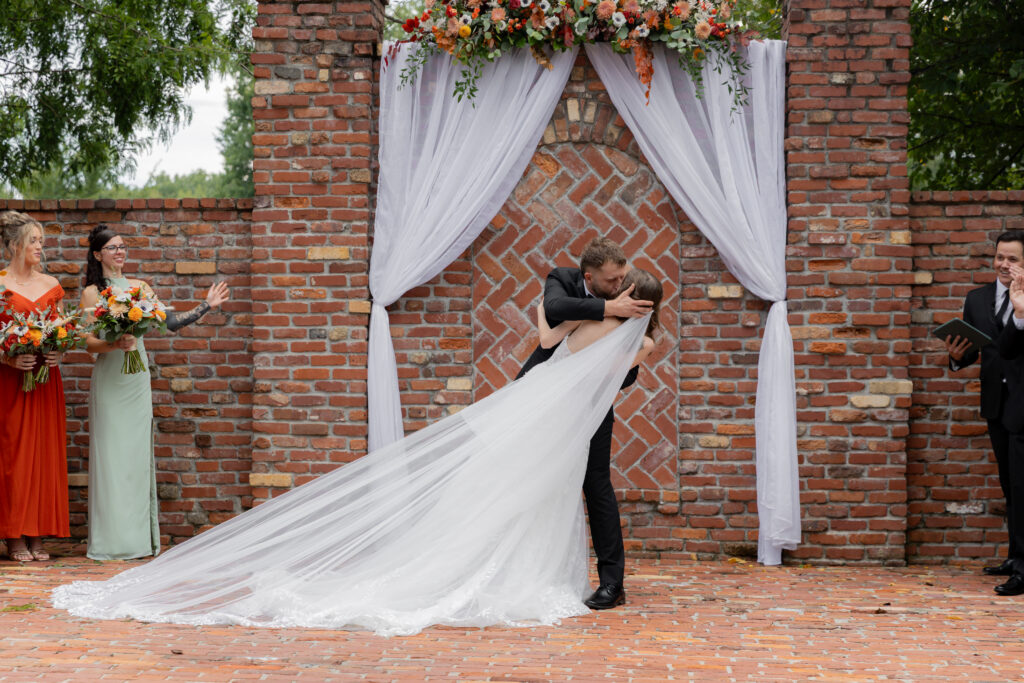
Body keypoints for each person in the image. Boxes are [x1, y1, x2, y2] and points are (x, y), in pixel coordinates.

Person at [53, 270, 663, 635]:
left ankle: (583, 578)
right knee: (525, 497)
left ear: (633, 297)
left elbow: (547, 335)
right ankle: (540, 575)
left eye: (622, 288)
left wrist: (607, 323)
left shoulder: (600, 326)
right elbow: (569, 337)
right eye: (614, 285)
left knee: (519, 494)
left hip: (547, 422)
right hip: (550, 425)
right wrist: (623, 323)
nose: (615, 290)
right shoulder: (621, 332)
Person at [516, 236, 652, 610]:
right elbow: (555, 307)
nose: (620, 285)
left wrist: (619, 346)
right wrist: (609, 307)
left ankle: (613, 584)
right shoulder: (563, 279)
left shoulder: (628, 302)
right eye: (611, 280)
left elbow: (626, 378)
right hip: (541, 398)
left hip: (592, 406)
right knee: (527, 479)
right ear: (588, 276)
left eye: (622, 277)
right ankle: (519, 569)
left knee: (597, 486)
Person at [79, 224, 230, 560]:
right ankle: (110, 542)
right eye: (113, 247)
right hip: (110, 379)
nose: (120, 252)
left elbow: (169, 321)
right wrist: (114, 342)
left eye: (123, 247)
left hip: (136, 380)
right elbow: (86, 343)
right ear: (97, 254)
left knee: (134, 457)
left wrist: (205, 306)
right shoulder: (92, 293)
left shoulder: (140, 288)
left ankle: (136, 541)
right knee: (111, 457)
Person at [944, 230, 1024, 589]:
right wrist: (957, 357)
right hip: (995, 402)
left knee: (1023, 485)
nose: (1004, 265)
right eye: (1000, 257)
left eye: (1013, 259)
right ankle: (1015, 555)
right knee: (1010, 485)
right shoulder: (976, 299)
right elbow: (975, 351)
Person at [0, 211, 69, 562]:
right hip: (11, 382)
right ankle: (13, 536)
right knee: (14, 456)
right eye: (34, 240)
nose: (40, 246)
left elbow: (63, 326)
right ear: (15, 245)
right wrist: (8, 359)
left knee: (43, 455)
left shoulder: (51, 284)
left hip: (44, 381)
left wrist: (58, 349)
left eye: (42, 240)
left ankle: (37, 534)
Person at [992, 266, 1024, 595]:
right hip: (1020, 413)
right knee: (1019, 489)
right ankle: (1022, 567)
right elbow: (1007, 350)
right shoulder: (1018, 302)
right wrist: (1019, 313)